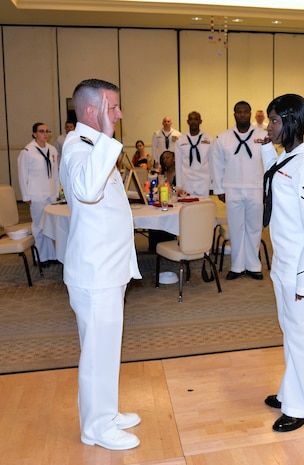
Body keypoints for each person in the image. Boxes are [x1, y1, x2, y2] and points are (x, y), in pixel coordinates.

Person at [60, 78, 141, 451]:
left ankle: (104, 412)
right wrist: (109, 137)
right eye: (114, 107)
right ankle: (96, 427)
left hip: (107, 268)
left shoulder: (93, 146)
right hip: (95, 271)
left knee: (105, 348)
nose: (120, 114)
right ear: (93, 111)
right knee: (97, 351)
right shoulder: (79, 147)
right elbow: (88, 191)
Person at [260, 93, 304, 433]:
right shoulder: (288, 159)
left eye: (274, 121)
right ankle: (292, 390)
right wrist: (264, 147)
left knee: (301, 335)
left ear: (291, 122)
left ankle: (303, 407)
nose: (269, 126)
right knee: (291, 332)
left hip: (301, 269)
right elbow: (273, 180)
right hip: (283, 263)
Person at [212, 101, 267, 280]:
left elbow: (269, 164)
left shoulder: (263, 136)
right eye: (239, 112)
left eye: (245, 112)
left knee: (254, 228)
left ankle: (253, 266)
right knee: (236, 228)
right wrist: (219, 188)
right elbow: (217, 164)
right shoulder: (223, 138)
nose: (242, 115)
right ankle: (237, 266)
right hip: (232, 188)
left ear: (250, 114)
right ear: (234, 114)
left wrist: (267, 189)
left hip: (256, 187)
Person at [18, 122, 59, 267]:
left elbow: (55, 173)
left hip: (50, 193)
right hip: (35, 194)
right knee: (39, 226)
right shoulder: (27, 151)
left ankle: (51, 255)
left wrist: (57, 191)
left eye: (47, 131)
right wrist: (26, 196)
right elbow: (23, 175)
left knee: (50, 225)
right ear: (34, 134)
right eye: (41, 131)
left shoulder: (52, 149)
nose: (45, 134)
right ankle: (41, 257)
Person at [174, 111, 213, 198]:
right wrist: (179, 185)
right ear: (187, 122)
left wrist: (212, 185)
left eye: (196, 119)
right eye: (191, 119)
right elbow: (178, 164)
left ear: (200, 121)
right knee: (188, 209)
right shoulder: (180, 141)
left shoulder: (209, 140)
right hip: (187, 181)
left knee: (203, 209)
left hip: (204, 181)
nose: (193, 121)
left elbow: (211, 163)